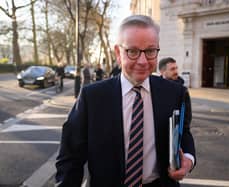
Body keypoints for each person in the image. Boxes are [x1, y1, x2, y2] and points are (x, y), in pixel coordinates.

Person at [55, 15, 195, 187]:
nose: (143, 61)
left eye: (150, 51)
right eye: (133, 51)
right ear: (118, 53)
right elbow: (71, 158)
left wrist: (188, 158)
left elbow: (184, 132)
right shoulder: (92, 97)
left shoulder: (175, 93)